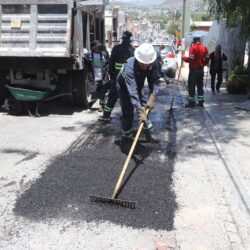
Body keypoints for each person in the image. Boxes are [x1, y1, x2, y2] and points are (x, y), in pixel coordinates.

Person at [116, 43, 160, 140]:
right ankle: (127, 133)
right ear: (137, 59)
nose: (144, 67)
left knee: (145, 104)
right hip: (124, 86)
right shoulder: (129, 66)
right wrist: (140, 112)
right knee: (128, 109)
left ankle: (145, 123)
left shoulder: (153, 62)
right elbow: (132, 92)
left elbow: (155, 81)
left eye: (146, 64)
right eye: (141, 64)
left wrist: (153, 95)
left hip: (138, 81)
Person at [99, 30, 135, 121]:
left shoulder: (116, 48)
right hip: (127, 79)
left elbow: (111, 63)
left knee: (112, 97)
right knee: (126, 98)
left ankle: (106, 115)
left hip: (116, 77)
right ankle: (125, 116)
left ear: (122, 39)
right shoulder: (132, 50)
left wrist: (111, 75)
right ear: (130, 40)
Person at [183, 37, 209, 107]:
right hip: (201, 70)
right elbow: (207, 58)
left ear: (194, 41)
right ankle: (201, 102)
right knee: (200, 86)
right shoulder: (204, 48)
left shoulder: (193, 48)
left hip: (193, 71)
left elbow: (191, 59)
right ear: (200, 41)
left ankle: (191, 103)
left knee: (191, 86)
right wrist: (204, 63)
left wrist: (184, 58)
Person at [88, 40, 110, 111]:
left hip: (103, 76)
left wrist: (107, 71)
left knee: (103, 92)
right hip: (94, 76)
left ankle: (102, 106)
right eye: (96, 47)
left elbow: (108, 63)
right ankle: (92, 102)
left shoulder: (104, 54)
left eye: (99, 47)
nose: (98, 49)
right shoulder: (89, 55)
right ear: (93, 48)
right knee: (93, 91)